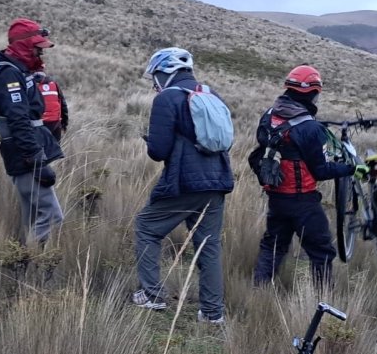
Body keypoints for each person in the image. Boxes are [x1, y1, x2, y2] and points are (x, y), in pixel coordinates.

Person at [131, 47, 234, 324]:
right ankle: (212, 313)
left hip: (185, 182)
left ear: (166, 71)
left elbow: (158, 152)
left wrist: (150, 139)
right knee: (208, 246)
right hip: (217, 180)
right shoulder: (211, 94)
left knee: (146, 227)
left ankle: (152, 295)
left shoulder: (167, 98)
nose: (154, 82)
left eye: (155, 75)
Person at [249, 65, 357, 287]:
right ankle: (322, 300)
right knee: (322, 252)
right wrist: (350, 169)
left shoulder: (269, 116)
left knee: (273, 246)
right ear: (312, 93)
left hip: (276, 197)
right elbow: (321, 170)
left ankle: (258, 292)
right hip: (303, 202)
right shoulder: (310, 128)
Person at [0, 18, 65, 245]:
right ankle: (38, 268)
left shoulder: (17, 71)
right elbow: (18, 119)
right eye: (38, 48)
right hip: (23, 154)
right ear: (25, 46)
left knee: (32, 216)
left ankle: (23, 267)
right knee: (52, 217)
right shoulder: (8, 75)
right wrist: (36, 160)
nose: (41, 53)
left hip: (23, 152)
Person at [34, 72, 69, 141]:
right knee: (56, 148)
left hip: (39, 124)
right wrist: (64, 123)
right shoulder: (54, 84)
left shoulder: (31, 86)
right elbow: (63, 105)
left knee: (41, 148)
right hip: (56, 123)